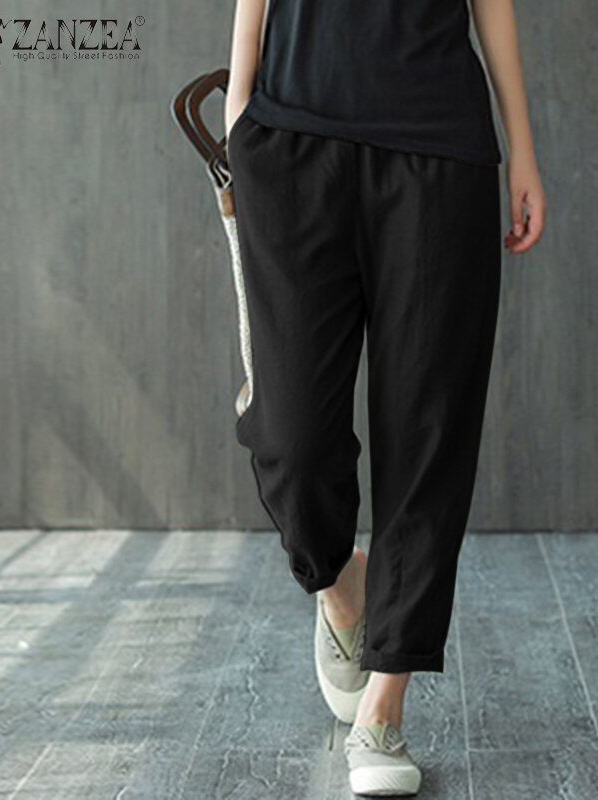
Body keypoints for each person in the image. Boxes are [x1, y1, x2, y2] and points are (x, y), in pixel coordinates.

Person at [224, 0, 545, 794]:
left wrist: (522, 149)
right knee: (292, 438)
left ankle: (384, 706)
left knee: (428, 433)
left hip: (438, 149)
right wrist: (239, 111)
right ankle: (342, 583)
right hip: (292, 135)